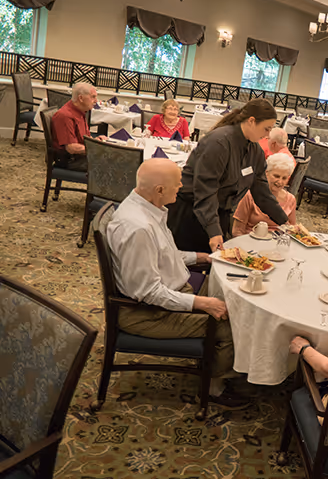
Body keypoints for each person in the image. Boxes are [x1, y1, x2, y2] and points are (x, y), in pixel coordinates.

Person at [106, 158, 249, 409]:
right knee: (234, 326)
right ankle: (213, 388)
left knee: (232, 294)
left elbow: (163, 255)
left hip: (170, 292)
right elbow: (148, 292)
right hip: (147, 314)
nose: (182, 186)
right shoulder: (138, 228)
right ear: (159, 189)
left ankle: (211, 360)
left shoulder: (146, 209)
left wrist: (203, 257)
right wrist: (204, 303)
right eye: (177, 183)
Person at [167, 99, 289, 253]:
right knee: (187, 268)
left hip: (219, 214)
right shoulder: (219, 142)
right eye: (266, 129)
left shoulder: (255, 151)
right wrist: (213, 230)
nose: (267, 135)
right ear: (251, 121)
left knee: (211, 265)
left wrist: (285, 222)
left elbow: (262, 192)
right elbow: (205, 190)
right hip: (191, 215)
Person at [231, 152, 297, 236]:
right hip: (252, 242)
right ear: (266, 173)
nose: (280, 182)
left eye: (284, 178)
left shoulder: (291, 199)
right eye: (276, 176)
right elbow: (237, 230)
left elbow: (292, 229)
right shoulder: (250, 195)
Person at [50, 82, 98, 172]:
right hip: (70, 161)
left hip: (79, 157)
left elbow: (83, 138)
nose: (96, 101)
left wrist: (96, 142)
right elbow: (71, 148)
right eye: (93, 97)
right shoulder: (65, 115)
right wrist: (97, 149)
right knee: (110, 164)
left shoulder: (80, 111)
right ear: (80, 98)